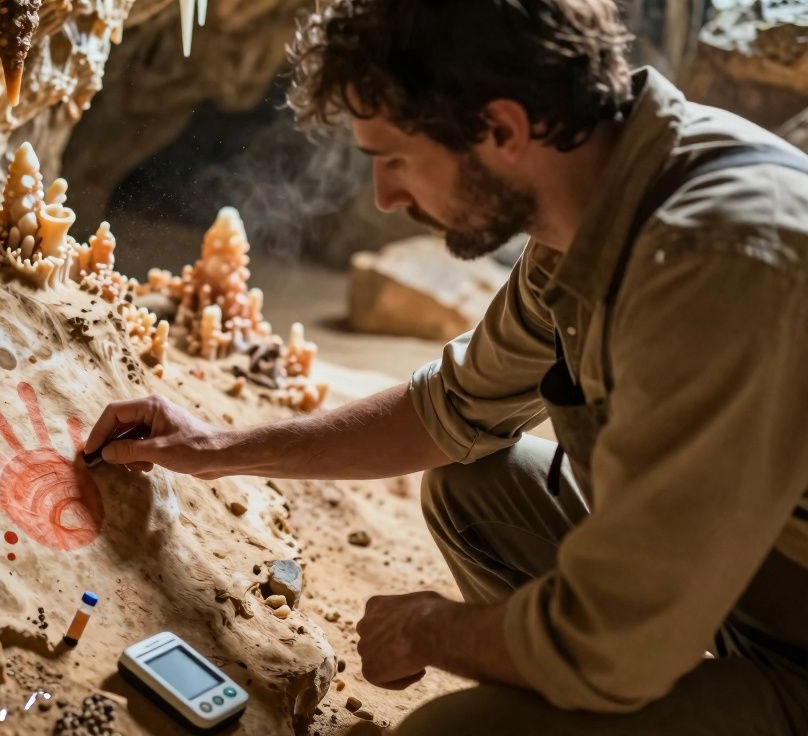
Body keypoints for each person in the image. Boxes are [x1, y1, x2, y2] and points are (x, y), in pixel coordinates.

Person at [83, 0, 808, 731]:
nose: (385, 197)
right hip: (742, 581)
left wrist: (428, 629)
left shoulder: (712, 260)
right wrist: (214, 448)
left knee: (446, 731)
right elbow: (446, 413)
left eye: (394, 159)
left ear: (502, 130)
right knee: (477, 489)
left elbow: (610, 639)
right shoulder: (596, 210)